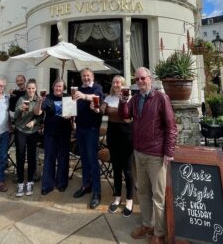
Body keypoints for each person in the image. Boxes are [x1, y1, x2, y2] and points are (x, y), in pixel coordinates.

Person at [118, 67, 177, 244]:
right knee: (142, 191)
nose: (140, 82)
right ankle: (147, 224)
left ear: (150, 79)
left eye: (143, 78)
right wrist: (122, 101)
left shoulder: (161, 98)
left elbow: (171, 127)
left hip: (156, 154)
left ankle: (158, 233)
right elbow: (125, 116)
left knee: (158, 196)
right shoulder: (135, 99)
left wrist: (169, 152)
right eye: (137, 80)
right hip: (139, 152)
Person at [96, 75, 134, 217]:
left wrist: (116, 109)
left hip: (127, 134)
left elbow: (127, 116)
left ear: (124, 84)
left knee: (128, 169)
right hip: (113, 134)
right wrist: (97, 108)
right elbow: (103, 110)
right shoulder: (108, 98)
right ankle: (117, 197)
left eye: (119, 82)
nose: (116, 84)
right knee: (116, 168)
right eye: (114, 82)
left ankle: (129, 199)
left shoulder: (130, 99)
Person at [72, 68, 104, 209]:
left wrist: (84, 96)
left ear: (92, 76)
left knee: (92, 160)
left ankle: (97, 192)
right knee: (84, 159)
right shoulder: (78, 89)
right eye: (83, 76)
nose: (86, 78)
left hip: (92, 129)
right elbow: (73, 106)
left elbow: (96, 99)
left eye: (88, 75)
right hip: (80, 129)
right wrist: (70, 115)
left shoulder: (97, 88)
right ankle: (86, 185)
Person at [34, 79, 72, 195]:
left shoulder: (68, 97)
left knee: (63, 158)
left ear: (63, 88)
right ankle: (47, 185)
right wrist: (39, 102)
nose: (58, 88)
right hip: (50, 132)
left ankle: (62, 183)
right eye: (56, 86)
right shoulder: (47, 97)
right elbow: (37, 113)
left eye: (60, 87)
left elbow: (72, 114)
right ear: (53, 87)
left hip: (64, 132)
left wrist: (70, 115)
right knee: (49, 158)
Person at [14, 78, 43, 197]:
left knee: (32, 157)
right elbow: (15, 116)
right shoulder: (21, 99)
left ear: (36, 89)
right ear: (26, 89)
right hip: (20, 130)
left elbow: (41, 116)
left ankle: (30, 181)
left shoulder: (38, 100)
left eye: (33, 88)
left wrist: (34, 122)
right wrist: (20, 110)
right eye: (29, 88)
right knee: (20, 155)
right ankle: (21, 182)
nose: (31, 90)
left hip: (33, 131)